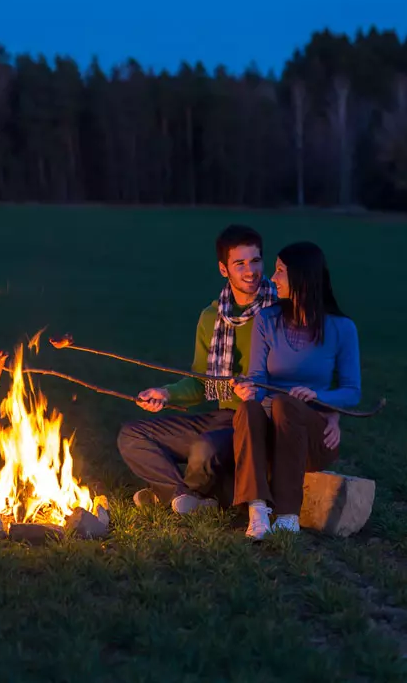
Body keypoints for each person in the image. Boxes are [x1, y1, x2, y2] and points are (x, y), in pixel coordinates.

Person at [117, 224, 287, 514]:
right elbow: (200, 382)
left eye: (256, 261)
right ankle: (184, 496)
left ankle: (172, 494)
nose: (250, 271)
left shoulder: (282, 310)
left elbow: (299, 372)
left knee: (204, 450)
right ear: (224, 269)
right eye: (240, 263)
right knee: (132, 435)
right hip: (222, 418)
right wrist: (165, 394)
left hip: (260, 421)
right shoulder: (212, 317)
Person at [231, 241, 360, 539]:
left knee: (285, 405)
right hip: (271, 430)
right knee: (249, 408)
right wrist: (250, 391)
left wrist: (319, 398)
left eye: (280, 271)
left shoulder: (342, 328)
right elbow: (257, 377)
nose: (272, 278)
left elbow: (352, 392)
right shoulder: (267, 319)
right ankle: (258, 511)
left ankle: (288, 516)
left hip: (312, 435)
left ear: (302, 277)